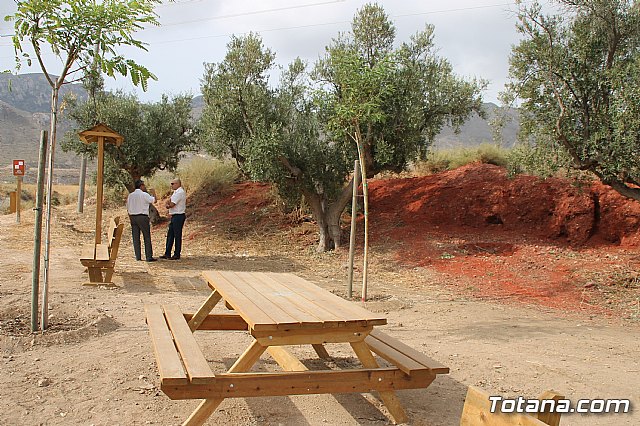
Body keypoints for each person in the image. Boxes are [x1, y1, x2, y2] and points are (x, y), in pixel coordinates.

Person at [126, 179, 157, 262]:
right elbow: (154, 200)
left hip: (133, 217)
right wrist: (153, 192)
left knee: (135, 237)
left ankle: (138, 256)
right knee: (146, 236)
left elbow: (128, 207)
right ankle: (148, 256)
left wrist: (130, 217)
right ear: (141, 186)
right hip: (142, 216)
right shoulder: (144, 195)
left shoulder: (130, 195)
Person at [160, 178, 186, 260]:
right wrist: (168, 203)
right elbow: (169, 201)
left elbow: (171, 204)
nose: (171, 185)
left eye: (173, 183)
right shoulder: (176, 192)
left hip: (178, 215)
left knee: (177, 235)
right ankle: (167, 253)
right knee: (170, 234)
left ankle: (176, 254)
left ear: (178, 184)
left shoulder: (179, 192)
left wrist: (168, 205)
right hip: (174, 215)